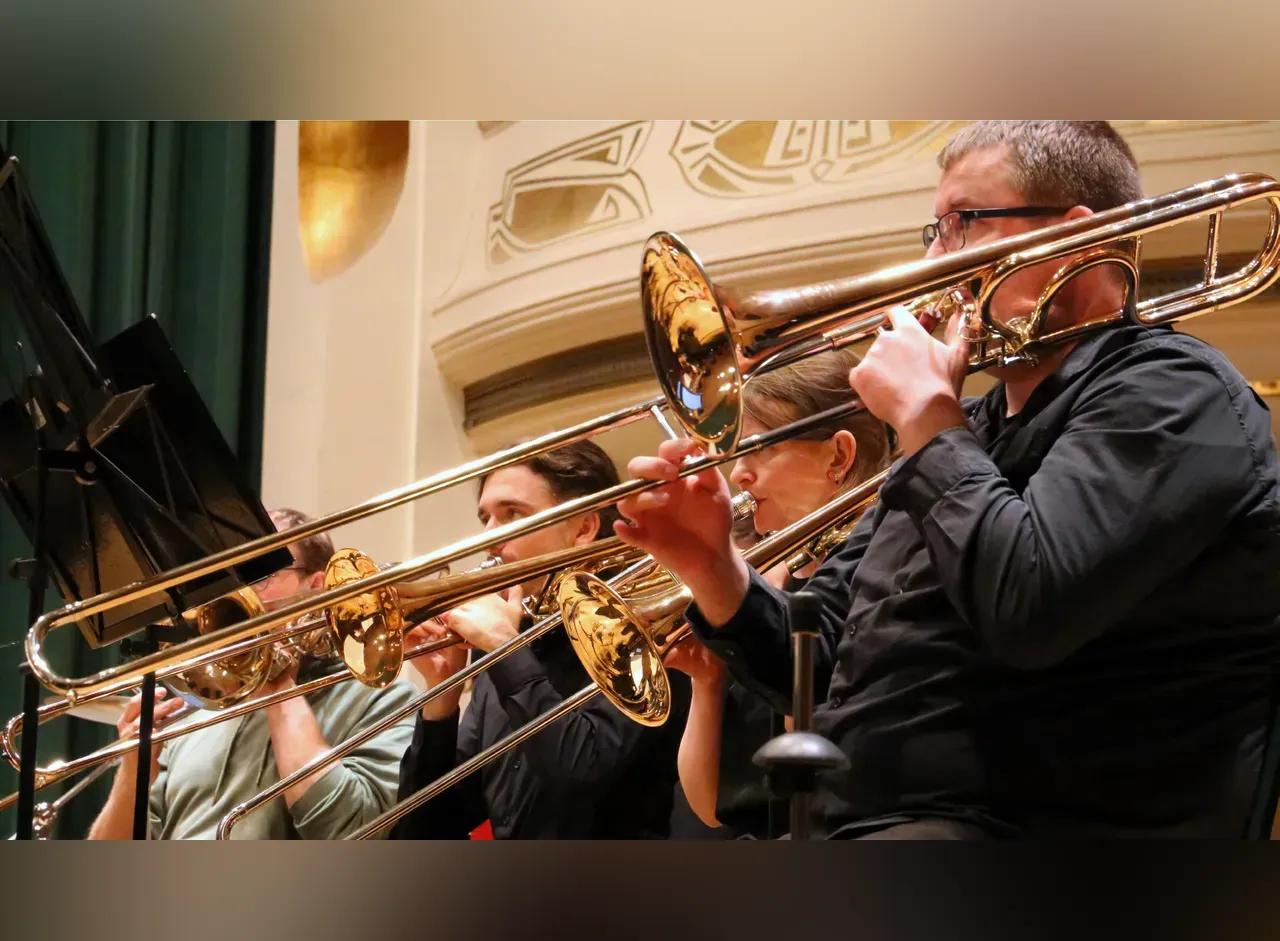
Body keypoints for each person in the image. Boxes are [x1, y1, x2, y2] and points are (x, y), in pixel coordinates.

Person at [617, 121, 1280, 838]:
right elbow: (822, 660)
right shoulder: (964, 428)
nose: (935, 260)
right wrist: (712, 566)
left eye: (961, 222)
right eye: (931, 230)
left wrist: (928, 419)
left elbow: (1032, 606)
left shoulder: (1172, 391)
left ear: (1077, 239)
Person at [391, 439, 689, 839]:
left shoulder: (647, 622)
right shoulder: (513, 645)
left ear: (583, 527)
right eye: (486, 519)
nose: (488, 536)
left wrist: (503, 648)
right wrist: (442, 695)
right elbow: (423, 833)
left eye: (512, 514)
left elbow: (581, 776)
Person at [666, 350, 891, 838]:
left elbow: (820, 777)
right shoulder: (765, 588)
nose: (738, 475)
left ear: (839, 456)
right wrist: (706, 685)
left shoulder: (884, 564)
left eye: (759, 449)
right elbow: (711, 806)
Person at [88, 507, 418, 839]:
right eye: (231, 577)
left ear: (317, 587)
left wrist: (276, 677)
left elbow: (353, 829)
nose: (239, 591)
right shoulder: (198, 706)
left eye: (260, 576)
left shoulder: (382, 700)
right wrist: (133, 767)